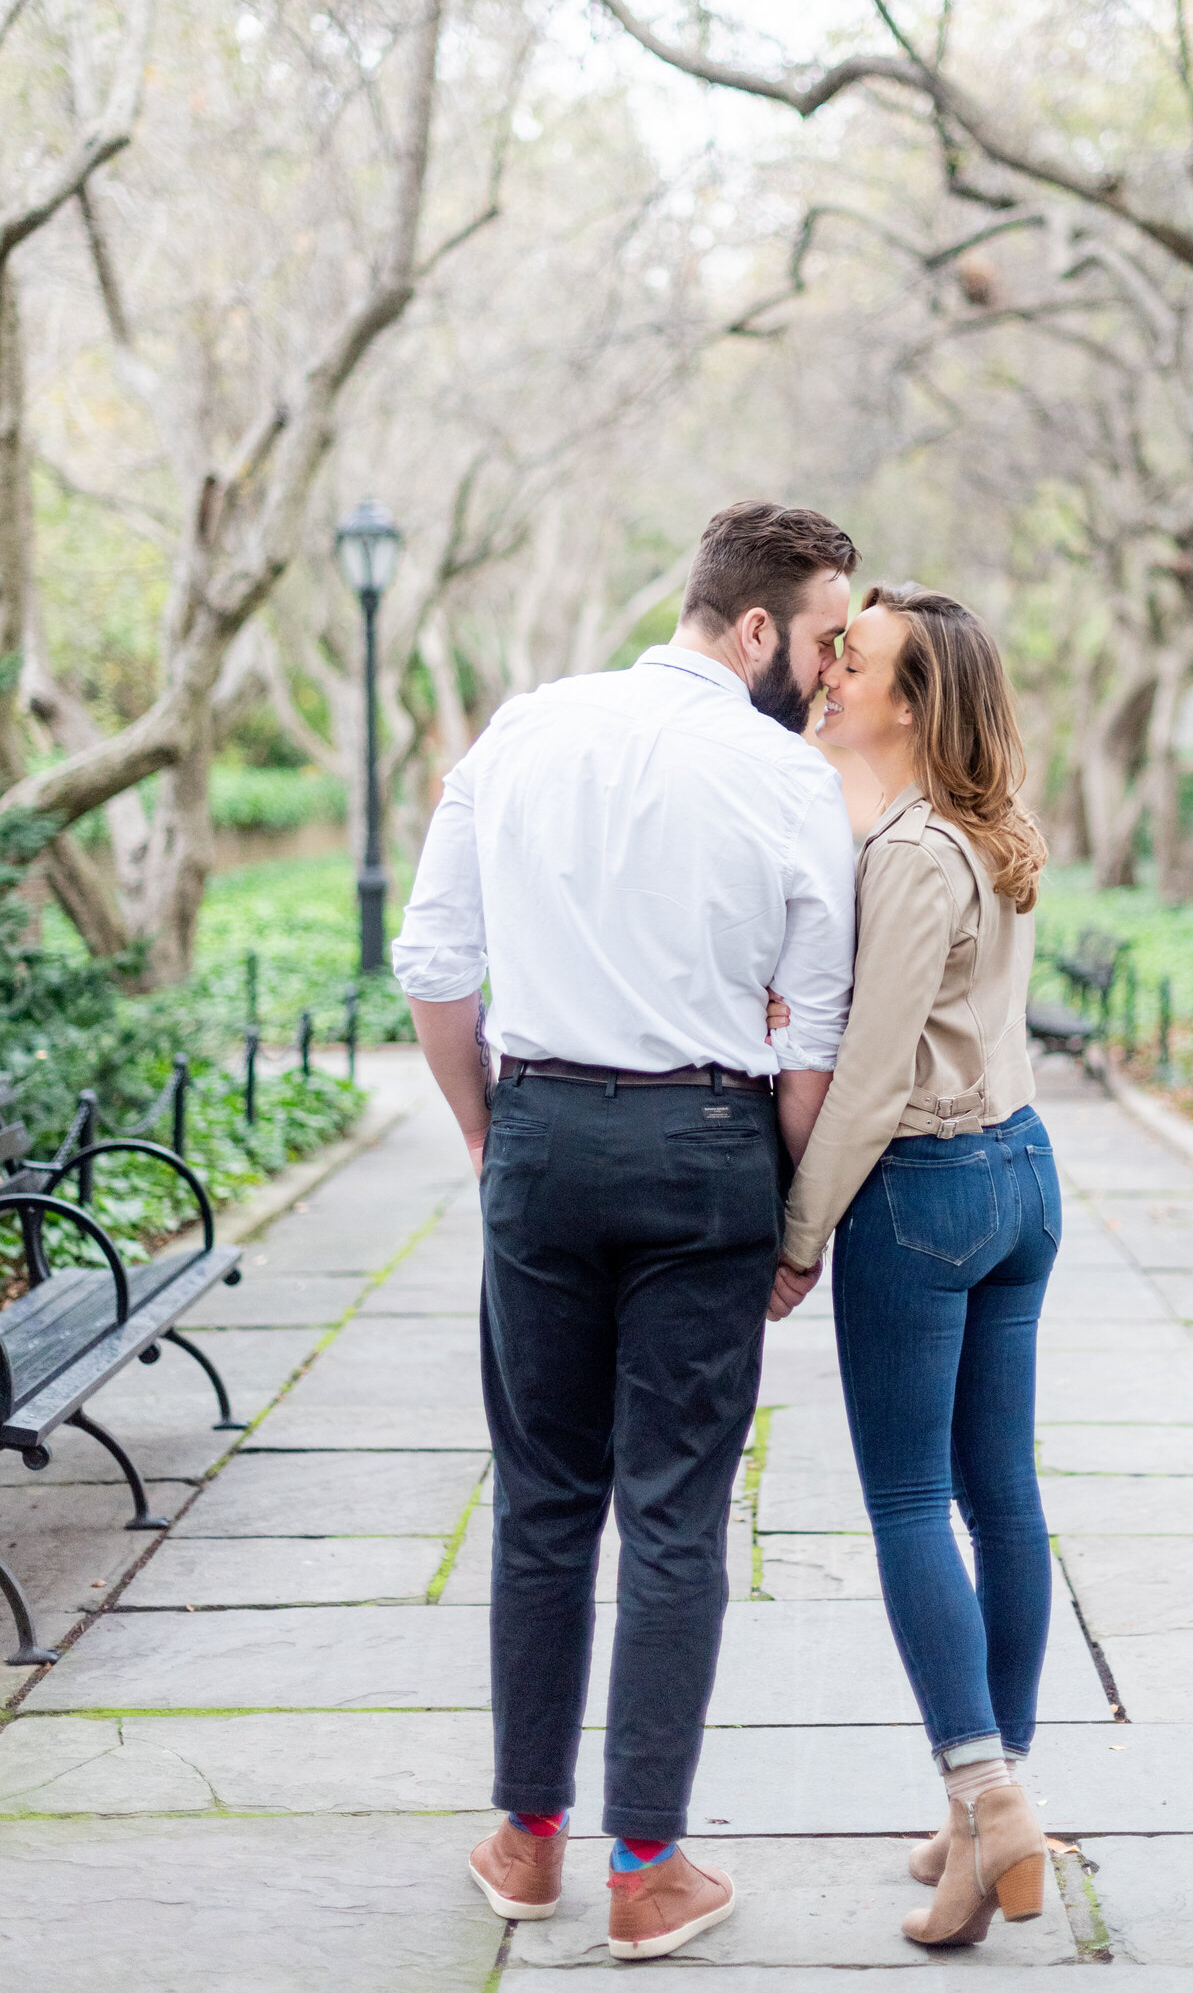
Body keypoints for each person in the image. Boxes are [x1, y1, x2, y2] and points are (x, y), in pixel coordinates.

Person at [391, 502, 859, 1961]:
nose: (839, 672)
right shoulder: (789, 782)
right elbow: (814, 1039)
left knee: (542, 1498)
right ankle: (646, 1867)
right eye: (831, 640)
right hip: (706, 1151)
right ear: (760, 627)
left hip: (538, 1138)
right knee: (674, 1512)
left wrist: (489, 1132)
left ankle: (528, 1841)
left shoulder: (523, 731)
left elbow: (434, 964)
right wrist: (794, 1221)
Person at [767, 584, 1058, 1950]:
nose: (828, 673)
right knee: (1003, 1498)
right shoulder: (989, 832)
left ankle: (988, 1798)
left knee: (905, 1501)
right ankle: (987, 1809)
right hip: (1022, 1178)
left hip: (928, 1191)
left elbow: (872, 1081)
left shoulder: (909, 853)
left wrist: (798, 1232)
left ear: (909, 701)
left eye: (855, 659)